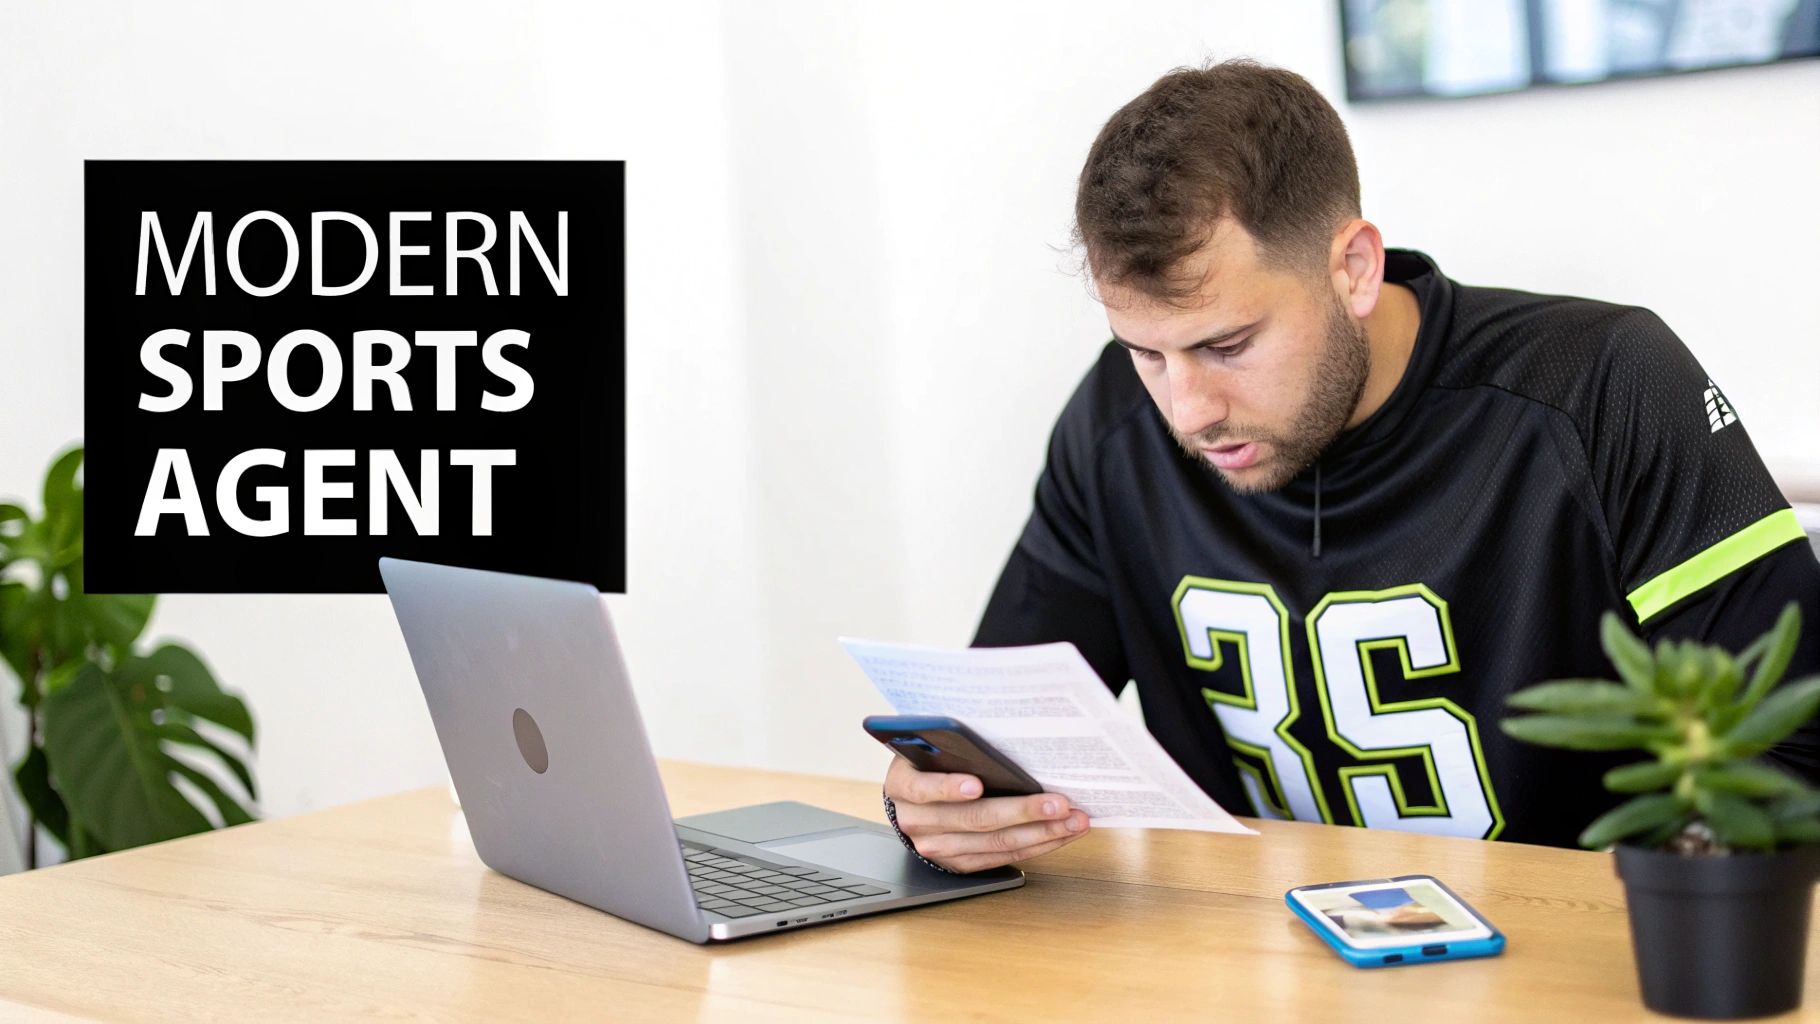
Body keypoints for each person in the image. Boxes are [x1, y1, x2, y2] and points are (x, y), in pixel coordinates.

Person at [881, 58, 1820, 872]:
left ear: (1355, 268)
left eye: (1229, 344)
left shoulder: (1600, 384)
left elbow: (1797, 746)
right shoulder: (1117, 419)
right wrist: (940, 804)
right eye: (1146, 352)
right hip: (1236, 977)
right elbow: (995, 737)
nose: (1187, 409)